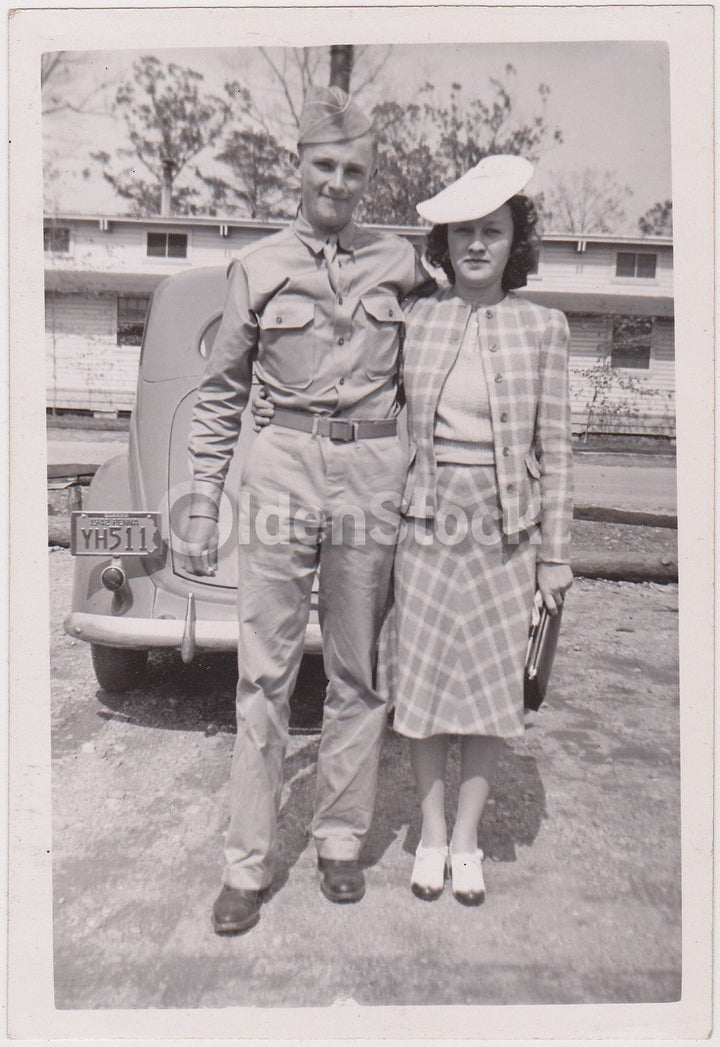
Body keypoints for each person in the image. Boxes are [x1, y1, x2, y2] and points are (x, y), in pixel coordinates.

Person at [181, 86, 424, 936]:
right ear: (299, 166)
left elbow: (428, 380)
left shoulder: (403, 265)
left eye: (354, 169)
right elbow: (221, 396)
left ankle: (339, 840)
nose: (339, 181)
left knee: (358, 671)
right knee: (263, 674)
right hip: (281, 465)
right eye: (324, 164)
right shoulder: (258, 266)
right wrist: (203, 503)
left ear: (369, 176)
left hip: (371, 472)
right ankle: (247, 863)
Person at [384, 156, 574, 905]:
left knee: (493, 689)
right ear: (445, 241)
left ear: (513, 241)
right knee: (423, 682)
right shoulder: (419, 320)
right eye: (463, 231)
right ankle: (429, 835)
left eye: (492, 231)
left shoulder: (543, 328)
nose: (476, 245)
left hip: (506, 534)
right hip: (427, 525)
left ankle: (467, 842)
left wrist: (555, 553)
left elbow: (553, 446)